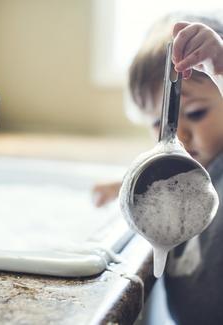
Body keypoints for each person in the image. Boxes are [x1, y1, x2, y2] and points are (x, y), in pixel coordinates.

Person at [93, 12, 223, 325]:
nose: (179, 135)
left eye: (196, 112)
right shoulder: (188, 175)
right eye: (159, 121)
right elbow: (165, 185)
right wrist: (124, 185)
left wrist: (220, 68)